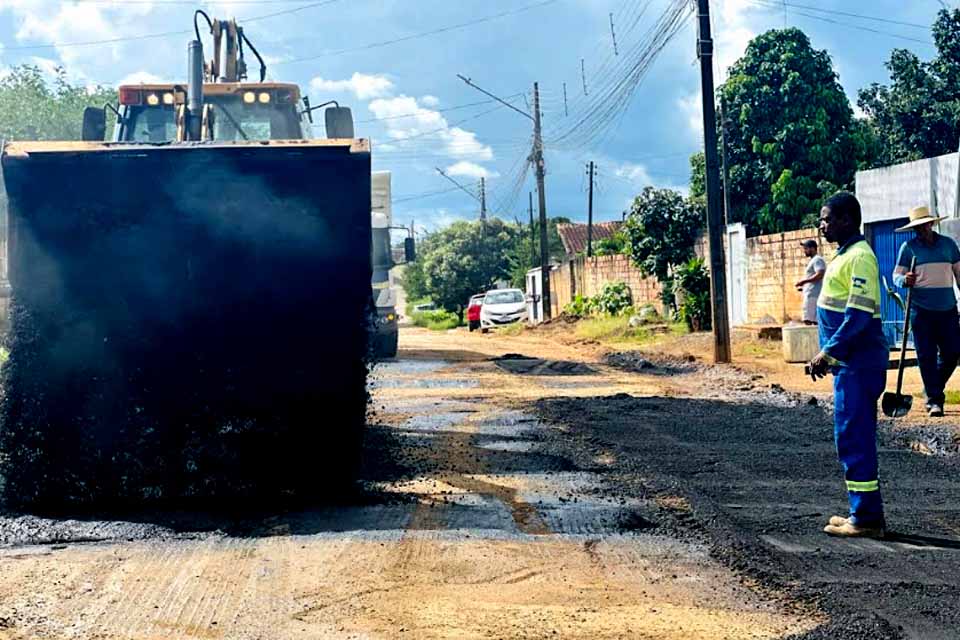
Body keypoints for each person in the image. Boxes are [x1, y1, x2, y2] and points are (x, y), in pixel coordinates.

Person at [808, 192, 888, 538]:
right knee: (850, 436)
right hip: (848, 365)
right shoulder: (843, 255)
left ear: (847, 220)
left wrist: (827, 353)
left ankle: (866, 518)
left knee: (855, 437)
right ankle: (862, 511)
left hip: (859, 363)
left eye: (827, 219)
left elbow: (857, 317)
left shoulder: (860, 258)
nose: (822, 225)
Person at [892, 205, 960, 418]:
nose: (921, 230)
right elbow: (896, 276)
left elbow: (959, 273)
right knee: (926, 355)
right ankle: (934, 400)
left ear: (931, 224)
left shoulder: (948, 245)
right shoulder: (908, 248)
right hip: (921, 311)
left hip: (948, 309)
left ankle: (932, 387)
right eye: (917, 227)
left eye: (924, 225)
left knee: (952, 353)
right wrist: (905, 280)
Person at [795, 239, 826, 325]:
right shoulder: (814, 260)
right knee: (814, 321)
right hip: (811, 293)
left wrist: (803, 281)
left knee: (808, 320)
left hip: (813, 295)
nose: (804, 251)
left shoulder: (817, 259)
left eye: (806, 248)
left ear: (812, 248)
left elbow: (820, 274)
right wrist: (804, 287)